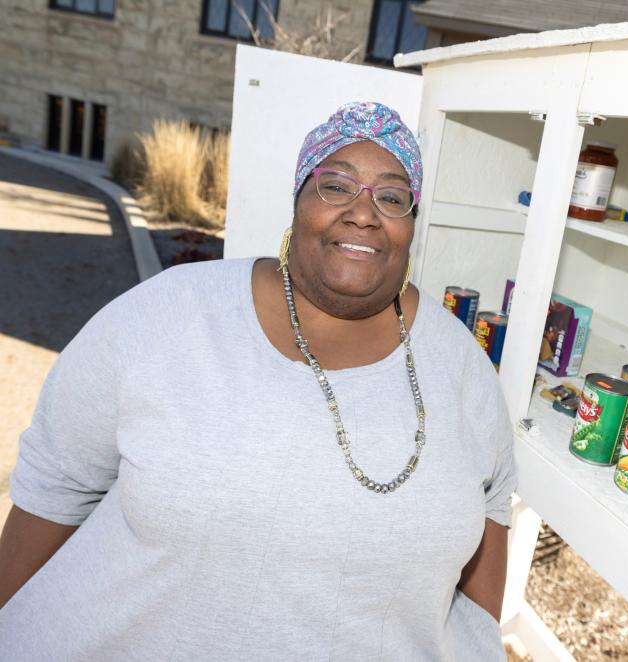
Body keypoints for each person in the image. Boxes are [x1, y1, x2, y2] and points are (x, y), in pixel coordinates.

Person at [0, 101, 517, 661]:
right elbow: (54, 487)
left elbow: (490, 511)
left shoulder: (462, 367)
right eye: (336, 185)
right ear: (298, 201)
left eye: (392, 197)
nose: (364, 213)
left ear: (410, 226)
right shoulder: (166, 314)